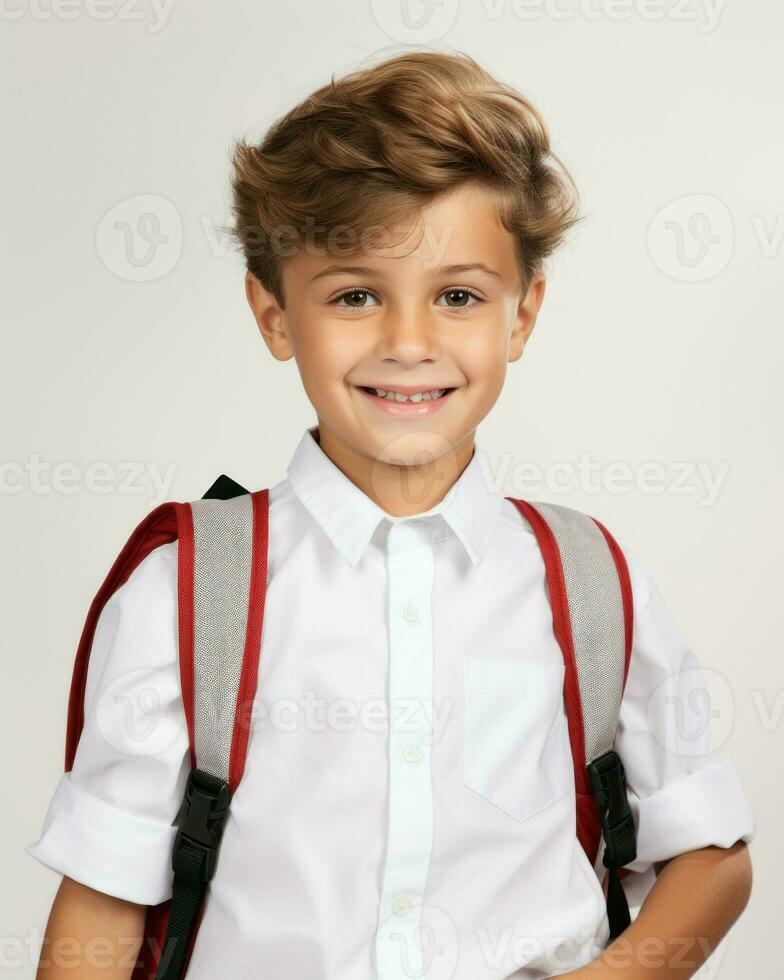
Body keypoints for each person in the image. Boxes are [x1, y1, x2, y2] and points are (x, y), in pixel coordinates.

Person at [27, 50, 754, 979]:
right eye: (356, 294)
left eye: (458, 296)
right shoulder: (189, 589)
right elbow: (103, 894)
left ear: (522, 315)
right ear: (275, 314)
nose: (409, 342)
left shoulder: (589, 578)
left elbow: (711, 853)